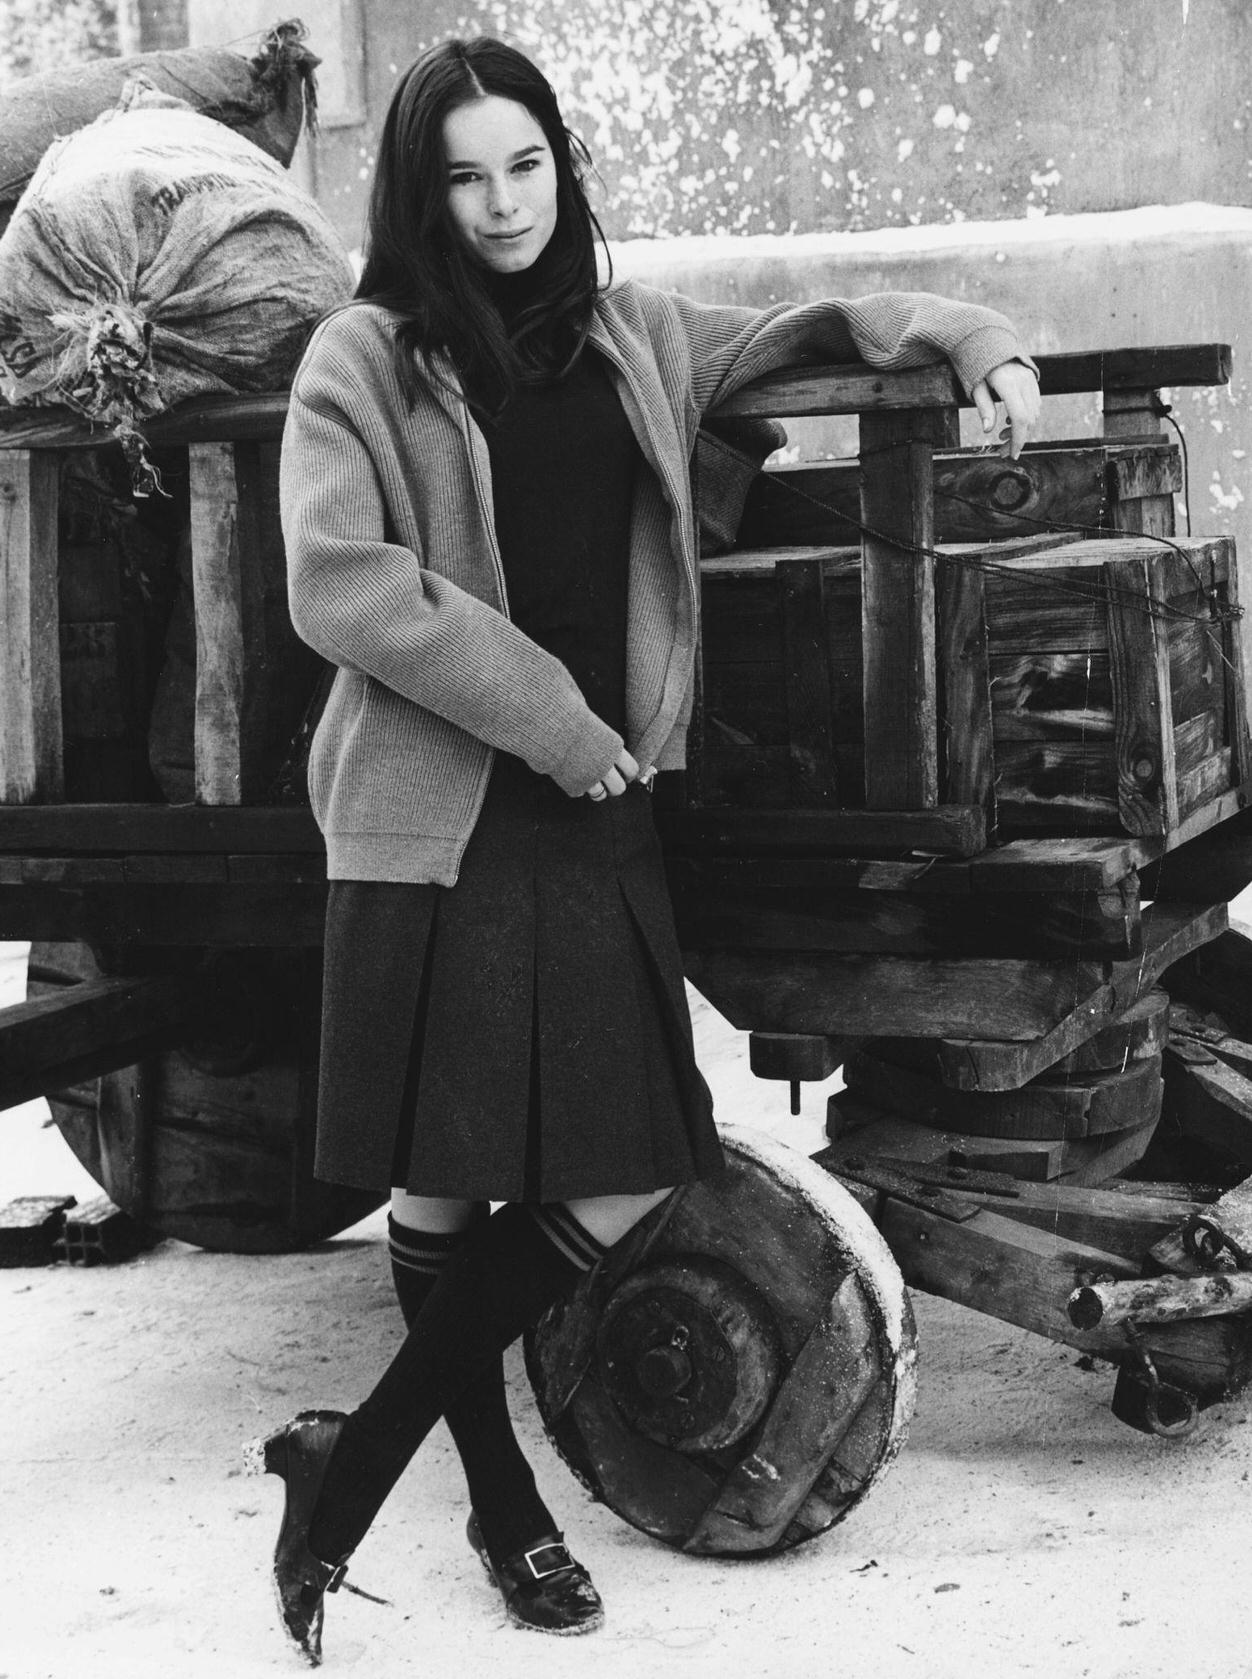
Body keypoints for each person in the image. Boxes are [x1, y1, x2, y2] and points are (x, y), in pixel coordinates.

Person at [255, 33, 1041, 1662]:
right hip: (439, 812)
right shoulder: (364, 357)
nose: (502, 203)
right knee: (447, 1181)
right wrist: (543, 708)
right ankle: (497, 1504)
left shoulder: (630, 335)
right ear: (423, 193)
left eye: (526, 164)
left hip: (598, 810)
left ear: (563, 161)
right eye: (464, 177)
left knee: (630, 1171)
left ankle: (352, 1458)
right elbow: (338, 582)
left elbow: (802, 333)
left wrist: (968, 336)